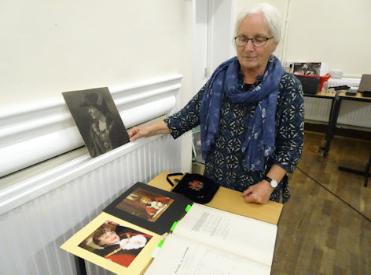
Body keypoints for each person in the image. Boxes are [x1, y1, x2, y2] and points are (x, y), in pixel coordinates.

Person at [129, 3, 304, 204]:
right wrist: (148, 129)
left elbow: (292, 145)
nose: (248, 47)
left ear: (274, 42)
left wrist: (268, 184)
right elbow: (190, 114)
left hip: (259, 191)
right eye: (242, 38)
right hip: (215, 183)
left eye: (258, 39)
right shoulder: (221, 78)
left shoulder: (287, 86)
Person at [81, 93, 128, 157]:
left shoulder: (115, 123)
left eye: (91, 108)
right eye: (88, 109)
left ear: (99, 108)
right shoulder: (93, 128)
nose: (89, 111)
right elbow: (94, 151)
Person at [85, 222, 151, 267]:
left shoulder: (125, 233)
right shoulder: (111, 255)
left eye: (111, 233)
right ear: (103, 244)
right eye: (107, 237)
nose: (112, 236)